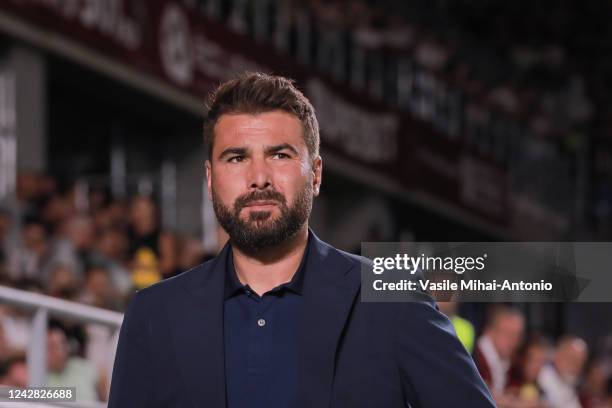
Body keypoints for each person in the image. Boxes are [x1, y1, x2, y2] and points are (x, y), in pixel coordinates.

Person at [108, 72, 495, 407]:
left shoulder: (395, 301)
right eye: (237, 158)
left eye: (279, 155)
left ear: (316, 174)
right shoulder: (154, 314)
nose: (259, 178)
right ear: (210, 179)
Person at [538, 336, 588, 408]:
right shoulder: (541, 375)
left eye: (579, 362)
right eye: (571, 358)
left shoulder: (570, 384)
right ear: (558, 353)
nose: (574, 365)